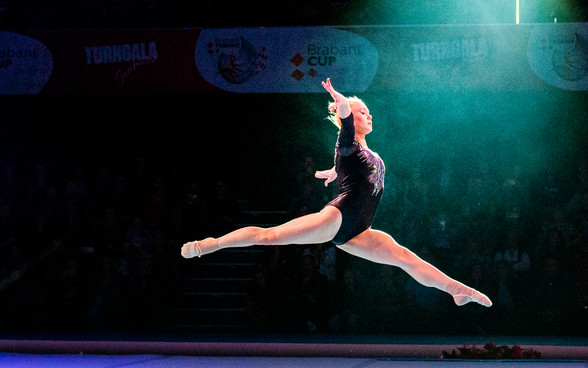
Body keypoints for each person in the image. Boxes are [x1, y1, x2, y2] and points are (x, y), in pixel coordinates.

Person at [180, 78, 491, 307]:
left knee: (404, 258)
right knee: (270, 236)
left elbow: (350, 166)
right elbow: (344, 126)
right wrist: (341, 101)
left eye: (369, 111)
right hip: (338, 217)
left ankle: (455, 290)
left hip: (358, 231)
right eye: (362, 112)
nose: (369, 115)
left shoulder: (358, 152)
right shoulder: (347, 141)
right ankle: (211, 244)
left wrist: (335, 171)